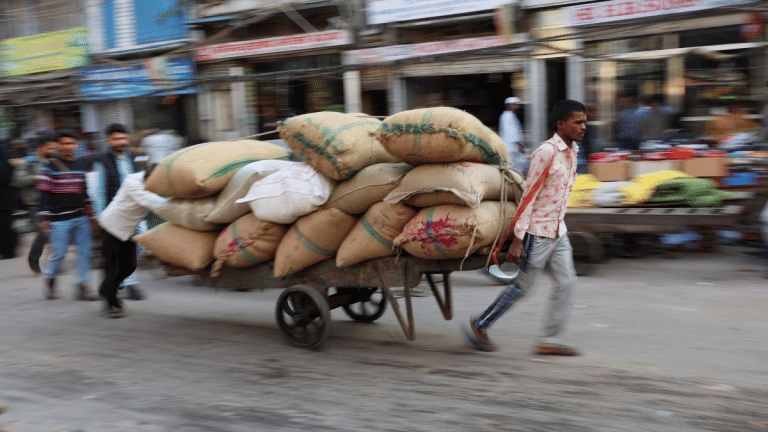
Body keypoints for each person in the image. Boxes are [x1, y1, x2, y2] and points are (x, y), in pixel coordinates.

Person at [463, 100, 585, 355]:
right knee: (523, 287)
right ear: (561, 125)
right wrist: (518, 239)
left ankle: (548, 341)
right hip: (537, 232)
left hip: (558, 232)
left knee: (567, 282)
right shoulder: (546, 152)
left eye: (584, 122)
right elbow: (529, 195)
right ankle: (480, 324)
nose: (584, 127)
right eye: (578, 122)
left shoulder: (573, 153)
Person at [37, 131, 99, 301]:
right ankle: (50, 280)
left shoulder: (82, 164)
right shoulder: (50, 166)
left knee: (85, 253)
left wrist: (91, 212)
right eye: (63, 143)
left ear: (76, 145)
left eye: (70, 143)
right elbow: (44, 193)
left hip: (81, 216)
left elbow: (87, 191)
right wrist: (44, 217)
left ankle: (82, 287)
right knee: (59, 254)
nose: (67, 146)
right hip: (58, 219)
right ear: (58, 145)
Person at [98, 165, 167, 318]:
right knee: (112, 268)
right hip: (111, 226)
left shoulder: (153, 183)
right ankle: (110, 303)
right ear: (146, 177)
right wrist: (174, 206)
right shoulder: (132, 182)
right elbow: (150, 200)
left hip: (128, 229)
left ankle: (106, 289)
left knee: (129, 266)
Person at [92, 123, 145, 300]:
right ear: (109, 140)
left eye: (123, 137)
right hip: (114, 213)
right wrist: (100, 217)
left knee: (140, 243)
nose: (120, 141)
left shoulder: (132, 157)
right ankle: (128, 284)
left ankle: (123, 278)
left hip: (134, 210)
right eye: (116, 138)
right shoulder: (101, 160)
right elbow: (98, 191)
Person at [13, 134, 59, 273]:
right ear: (41, 148)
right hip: (35, 203)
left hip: (53, 202)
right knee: (43, 233)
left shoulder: (55, 161)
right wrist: (37, 177)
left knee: (54, 232)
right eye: (49, 147)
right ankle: (34, 258)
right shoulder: (29, 161)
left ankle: (54, 264)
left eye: (54, 147)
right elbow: (19, 179)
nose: (52, 150)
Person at [0, 145, 19, 259]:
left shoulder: (3, 166)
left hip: (3, 203)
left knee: (4, 228)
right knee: (6, 227)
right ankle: (8, 250)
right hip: (7, 202)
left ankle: (7, 252)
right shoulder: (6, 163)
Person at [499, 97, 526, 172]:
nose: (518, 107)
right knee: (514, 168)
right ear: (509, 105)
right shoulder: (508, 116)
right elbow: (512, 133)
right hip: (512, 148)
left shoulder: (509, 115)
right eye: (515, 105)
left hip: (513, 148)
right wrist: (519, 145)